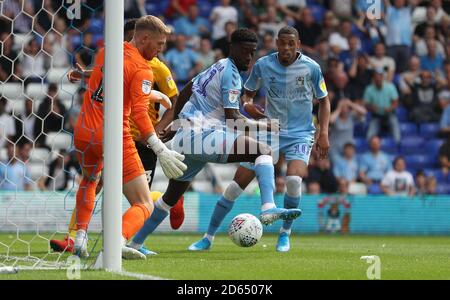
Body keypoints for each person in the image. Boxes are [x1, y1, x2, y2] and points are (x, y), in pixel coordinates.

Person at [126, 28, 303, 255]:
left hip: (186, 138)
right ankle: (268, 207)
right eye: (245, 52)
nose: (249, 58)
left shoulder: (216, 66)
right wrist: (266, 125)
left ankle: (135, 243)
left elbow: (186, 92)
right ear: (233, 48)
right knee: (263, 151)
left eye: (253, 53)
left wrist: (177, 124)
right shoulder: (231, 74)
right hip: (203, 137)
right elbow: (233, 119)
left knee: (170, 197)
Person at [187, 26, 330, 253]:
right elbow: (248, 94)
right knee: (235, 186)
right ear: (276, 43)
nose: (286, 48)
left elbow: (324, 100)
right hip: (269, 130)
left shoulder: (311, 68)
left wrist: (323, 133)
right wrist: (247, 105)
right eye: (282, 43)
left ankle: (284, 234)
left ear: (298, 44)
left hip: (300, 134)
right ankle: (208, 237)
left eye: (291, 44)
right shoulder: (263, 65)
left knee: (293, 182)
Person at [49, 18, 186, 255]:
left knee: (90, 181)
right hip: (116, 137)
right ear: (144, 38)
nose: (161, 50)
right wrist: (159, 148)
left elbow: (113, 82)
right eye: (159, 44)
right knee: (143, 203)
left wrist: (154, 95)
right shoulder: (144, 68)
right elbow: (140, 113)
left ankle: (79, 238)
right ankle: (117, 242)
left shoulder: (106, 52)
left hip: (84, 132)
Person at [364, 67, 401, 144]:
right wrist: (371, 107)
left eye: (380, 76)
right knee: (369, 136)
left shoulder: (390, 87)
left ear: (383, 77)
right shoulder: (369, 89)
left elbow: (396, 102)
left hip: (389, 114)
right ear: (373, 78)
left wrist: (390, 108)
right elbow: (366, 104)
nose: (378, 79)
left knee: (396, 130)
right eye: (376, 77)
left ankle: (398, 146)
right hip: (376, 115)